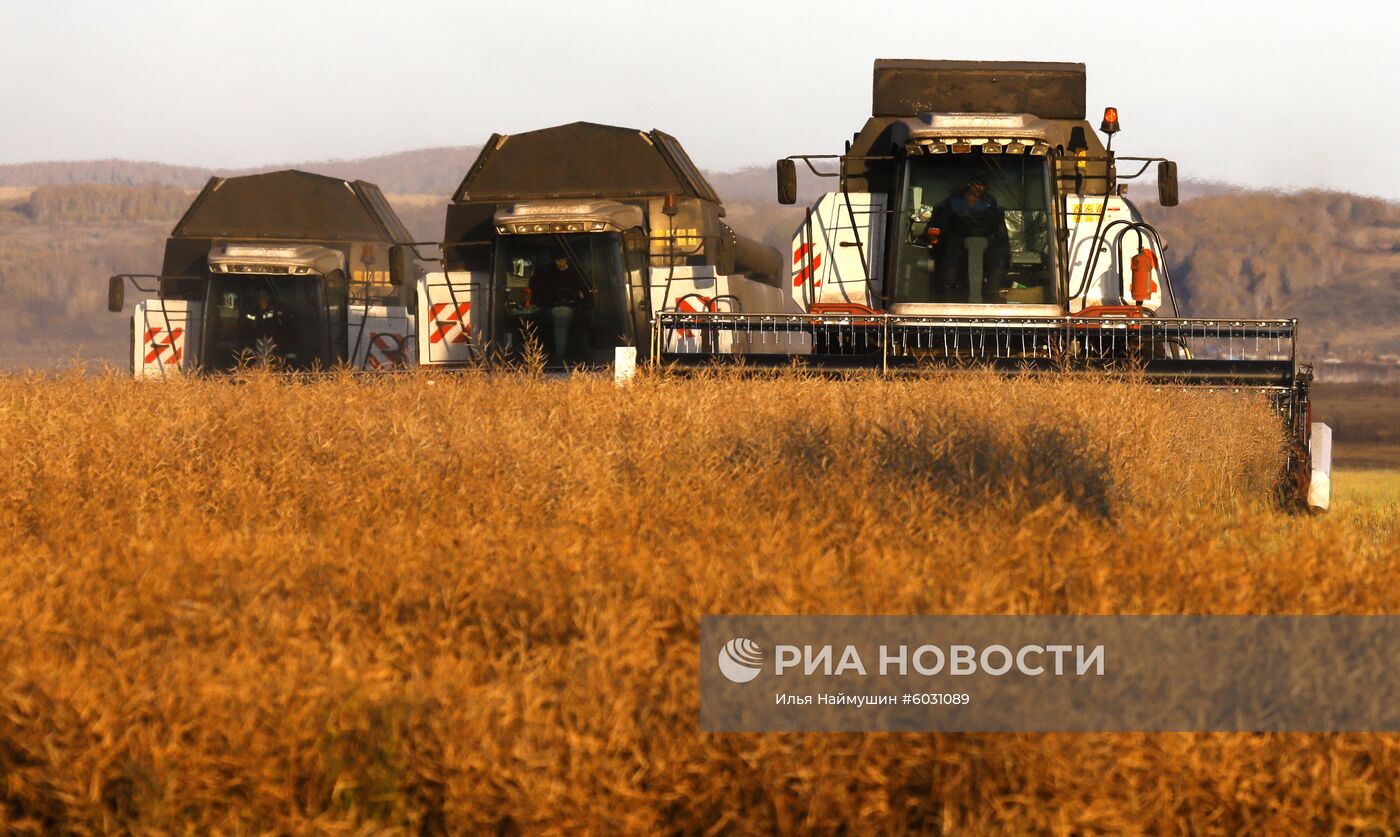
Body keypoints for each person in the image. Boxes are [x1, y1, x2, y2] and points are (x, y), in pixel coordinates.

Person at [924, 174, 1011, 303]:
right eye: (978, 184)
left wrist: (993, 240)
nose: (981, 188)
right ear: (970, 183)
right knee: (949, 258)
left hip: (983, 240)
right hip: (957, 239)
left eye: (984, 185)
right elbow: (944, 222)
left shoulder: (989, 201)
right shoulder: (954, 200)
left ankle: (991, 295)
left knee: (997, 260)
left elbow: (995, 225)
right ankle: (950, 294)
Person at [527, 255, 591, 359]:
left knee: (582, 328)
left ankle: (577, 357)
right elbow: (538, 291)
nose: (560, 263)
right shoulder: (547, 273)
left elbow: (586, 291)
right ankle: (546, 356)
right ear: (554, 261)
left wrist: (578, 296)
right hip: (549, 308)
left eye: (563, 260)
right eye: (558, 260)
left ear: (567, 260)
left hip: (575, 309)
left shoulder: (578, 273)